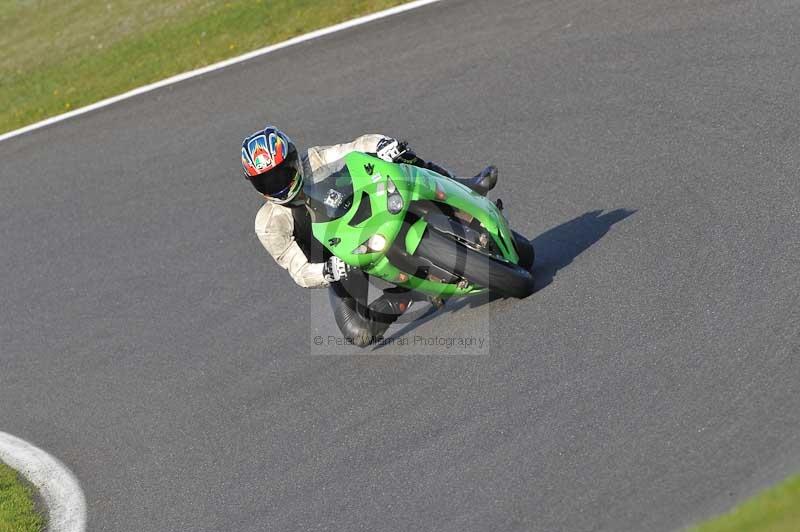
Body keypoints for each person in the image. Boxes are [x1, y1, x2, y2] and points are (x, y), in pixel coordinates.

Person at [242, 125, 498, 347]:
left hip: (369, 213)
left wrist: (383, 145)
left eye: (281, 173)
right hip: (341, 260)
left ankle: (464, 186)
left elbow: (356, 147)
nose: (277, 185)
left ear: (294, 160)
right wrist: (329, 271)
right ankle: (410, 293)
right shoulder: (268, 224)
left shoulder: (315, 160)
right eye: (265, 181)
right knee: (359, 332)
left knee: (401, 161)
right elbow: (297, 269)